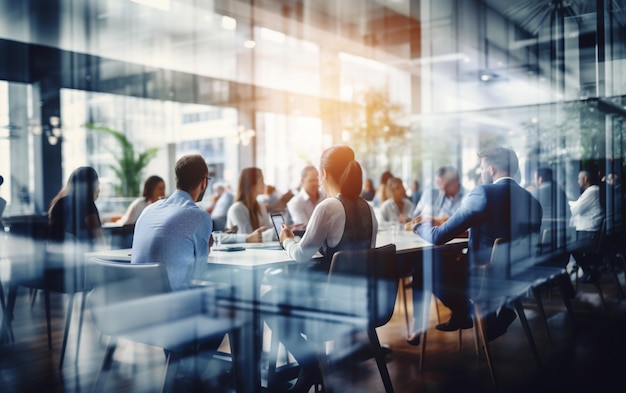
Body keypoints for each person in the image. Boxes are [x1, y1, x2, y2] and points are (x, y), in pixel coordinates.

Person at [267, 145, 378, 392]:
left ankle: (311, 365)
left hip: (329, 306)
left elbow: (300, 255)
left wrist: (286, 238)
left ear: (325, 174)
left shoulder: (328, 207)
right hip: (360, 303)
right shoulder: (369, 209)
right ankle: (311, 369)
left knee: (270, 303)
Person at [409, 147, 542, 342]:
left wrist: (417, 226)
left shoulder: (483, 193)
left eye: (481, 168)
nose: (481, 173)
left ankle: (464, 312)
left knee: (422, 266)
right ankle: (478, 314)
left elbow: (438, 237)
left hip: (483, 279)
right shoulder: (532, 201)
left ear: (491, 169)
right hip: (516, 278)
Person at [131, 154, 213, 290]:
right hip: (172, 303)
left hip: (138, 297)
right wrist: (205, 248)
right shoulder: (199, 216)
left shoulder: (148, 209)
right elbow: (199, 274)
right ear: (204, 182)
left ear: (176, 180)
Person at [48, 166, 104, 246]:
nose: (99, 189)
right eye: (97, 184)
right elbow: (99, 240)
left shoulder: (59, 202)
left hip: (57, 253)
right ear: (91, 186)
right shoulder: (87, 205)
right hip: (81, 254)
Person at [569, 168, 604, 282]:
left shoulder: (592, 191)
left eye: (579, 178)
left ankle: (588, 272)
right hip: (590, 233)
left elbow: (575, 210)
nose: (578, 181)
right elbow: (578, 204)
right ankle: (590, 272)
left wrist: (567, 204)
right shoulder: (594, 191)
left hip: (589, 235)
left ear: (585, 179)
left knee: (569, 247)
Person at [224, 167, 271, 243]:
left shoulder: (260, 206)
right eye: (262, 181)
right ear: (253, 185)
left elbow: (268, 232)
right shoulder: (237, 209)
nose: (265, 184)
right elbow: (248, 235)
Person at [531, 167, 571, 253]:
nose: (534, 182)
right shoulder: (561, 192)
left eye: (535, 179)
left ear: (540, 179)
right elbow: (569, 212)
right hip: (562, 237)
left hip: (542, 239)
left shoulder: (535, 192)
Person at [286, 165, 326, 233]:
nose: (315, 183)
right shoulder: (295, 202)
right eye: (311, 180)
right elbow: (304, 227)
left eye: (317, 180)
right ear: (302, 181)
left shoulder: (325, 197)